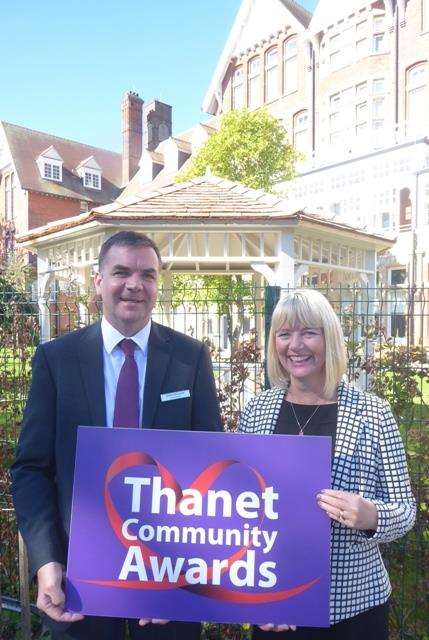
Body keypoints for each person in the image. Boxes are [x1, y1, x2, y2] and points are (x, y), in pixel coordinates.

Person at [11, 231, 222, 640]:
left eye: (147, 275)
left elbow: (209, 468)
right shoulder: (57, 360)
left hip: (168, 579)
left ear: (158, 283)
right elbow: (31, 469)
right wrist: (46, 562)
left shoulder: (190, 358)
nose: (134, 284)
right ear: (98, 281)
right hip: (78, 578)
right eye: (121, 272)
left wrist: (191, 572)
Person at [238, 289, 415, 640]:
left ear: (329, 338)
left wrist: (372, 516)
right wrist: (255, 597)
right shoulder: (257, 411)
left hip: (354, 607)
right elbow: (237, 510)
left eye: (308, 333)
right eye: (284, 334)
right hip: (277, 604)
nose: (295, 345)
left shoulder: (373, 413)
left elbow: (406, 511)